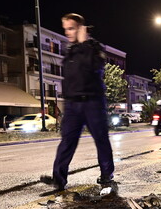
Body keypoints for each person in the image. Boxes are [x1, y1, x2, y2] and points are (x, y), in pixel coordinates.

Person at [40, 13, 114, 190]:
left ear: (81, 28)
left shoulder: (95, 48)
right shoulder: (70, 52)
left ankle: (106, 177)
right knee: (67, 141)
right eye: (65, 29)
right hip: (73, 104)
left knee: (101, 139)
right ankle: (58, 179)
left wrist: (85, 43)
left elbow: (93, 67)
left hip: (93, 102)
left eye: (71, 28)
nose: (67, 32)